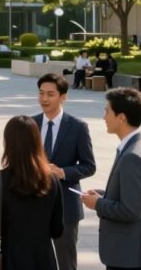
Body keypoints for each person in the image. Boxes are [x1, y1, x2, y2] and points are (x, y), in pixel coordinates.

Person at [82, 88, 141, 270]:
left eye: (107, 111)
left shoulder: (133, 156)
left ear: (121, 118)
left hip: (128, 255)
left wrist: (98, 204)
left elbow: (130, 210)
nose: (103, 117)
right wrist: (105, 195)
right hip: (132, 252)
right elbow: (136, 196)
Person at [0, 115, 64, 270]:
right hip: (43, 261)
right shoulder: (52, 180)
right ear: (37, 142)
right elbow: (57, 230)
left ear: (7, 143)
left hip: (8, 260)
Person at [34, 73, 95, 270]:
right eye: (41, 93)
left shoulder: (78, 127)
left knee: (65, 263)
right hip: (34, 204)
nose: (44, 98)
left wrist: (63, 172)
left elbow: (89, 165)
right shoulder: (30, 124)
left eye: (50, 94)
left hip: (66, 207)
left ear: (63, 97)